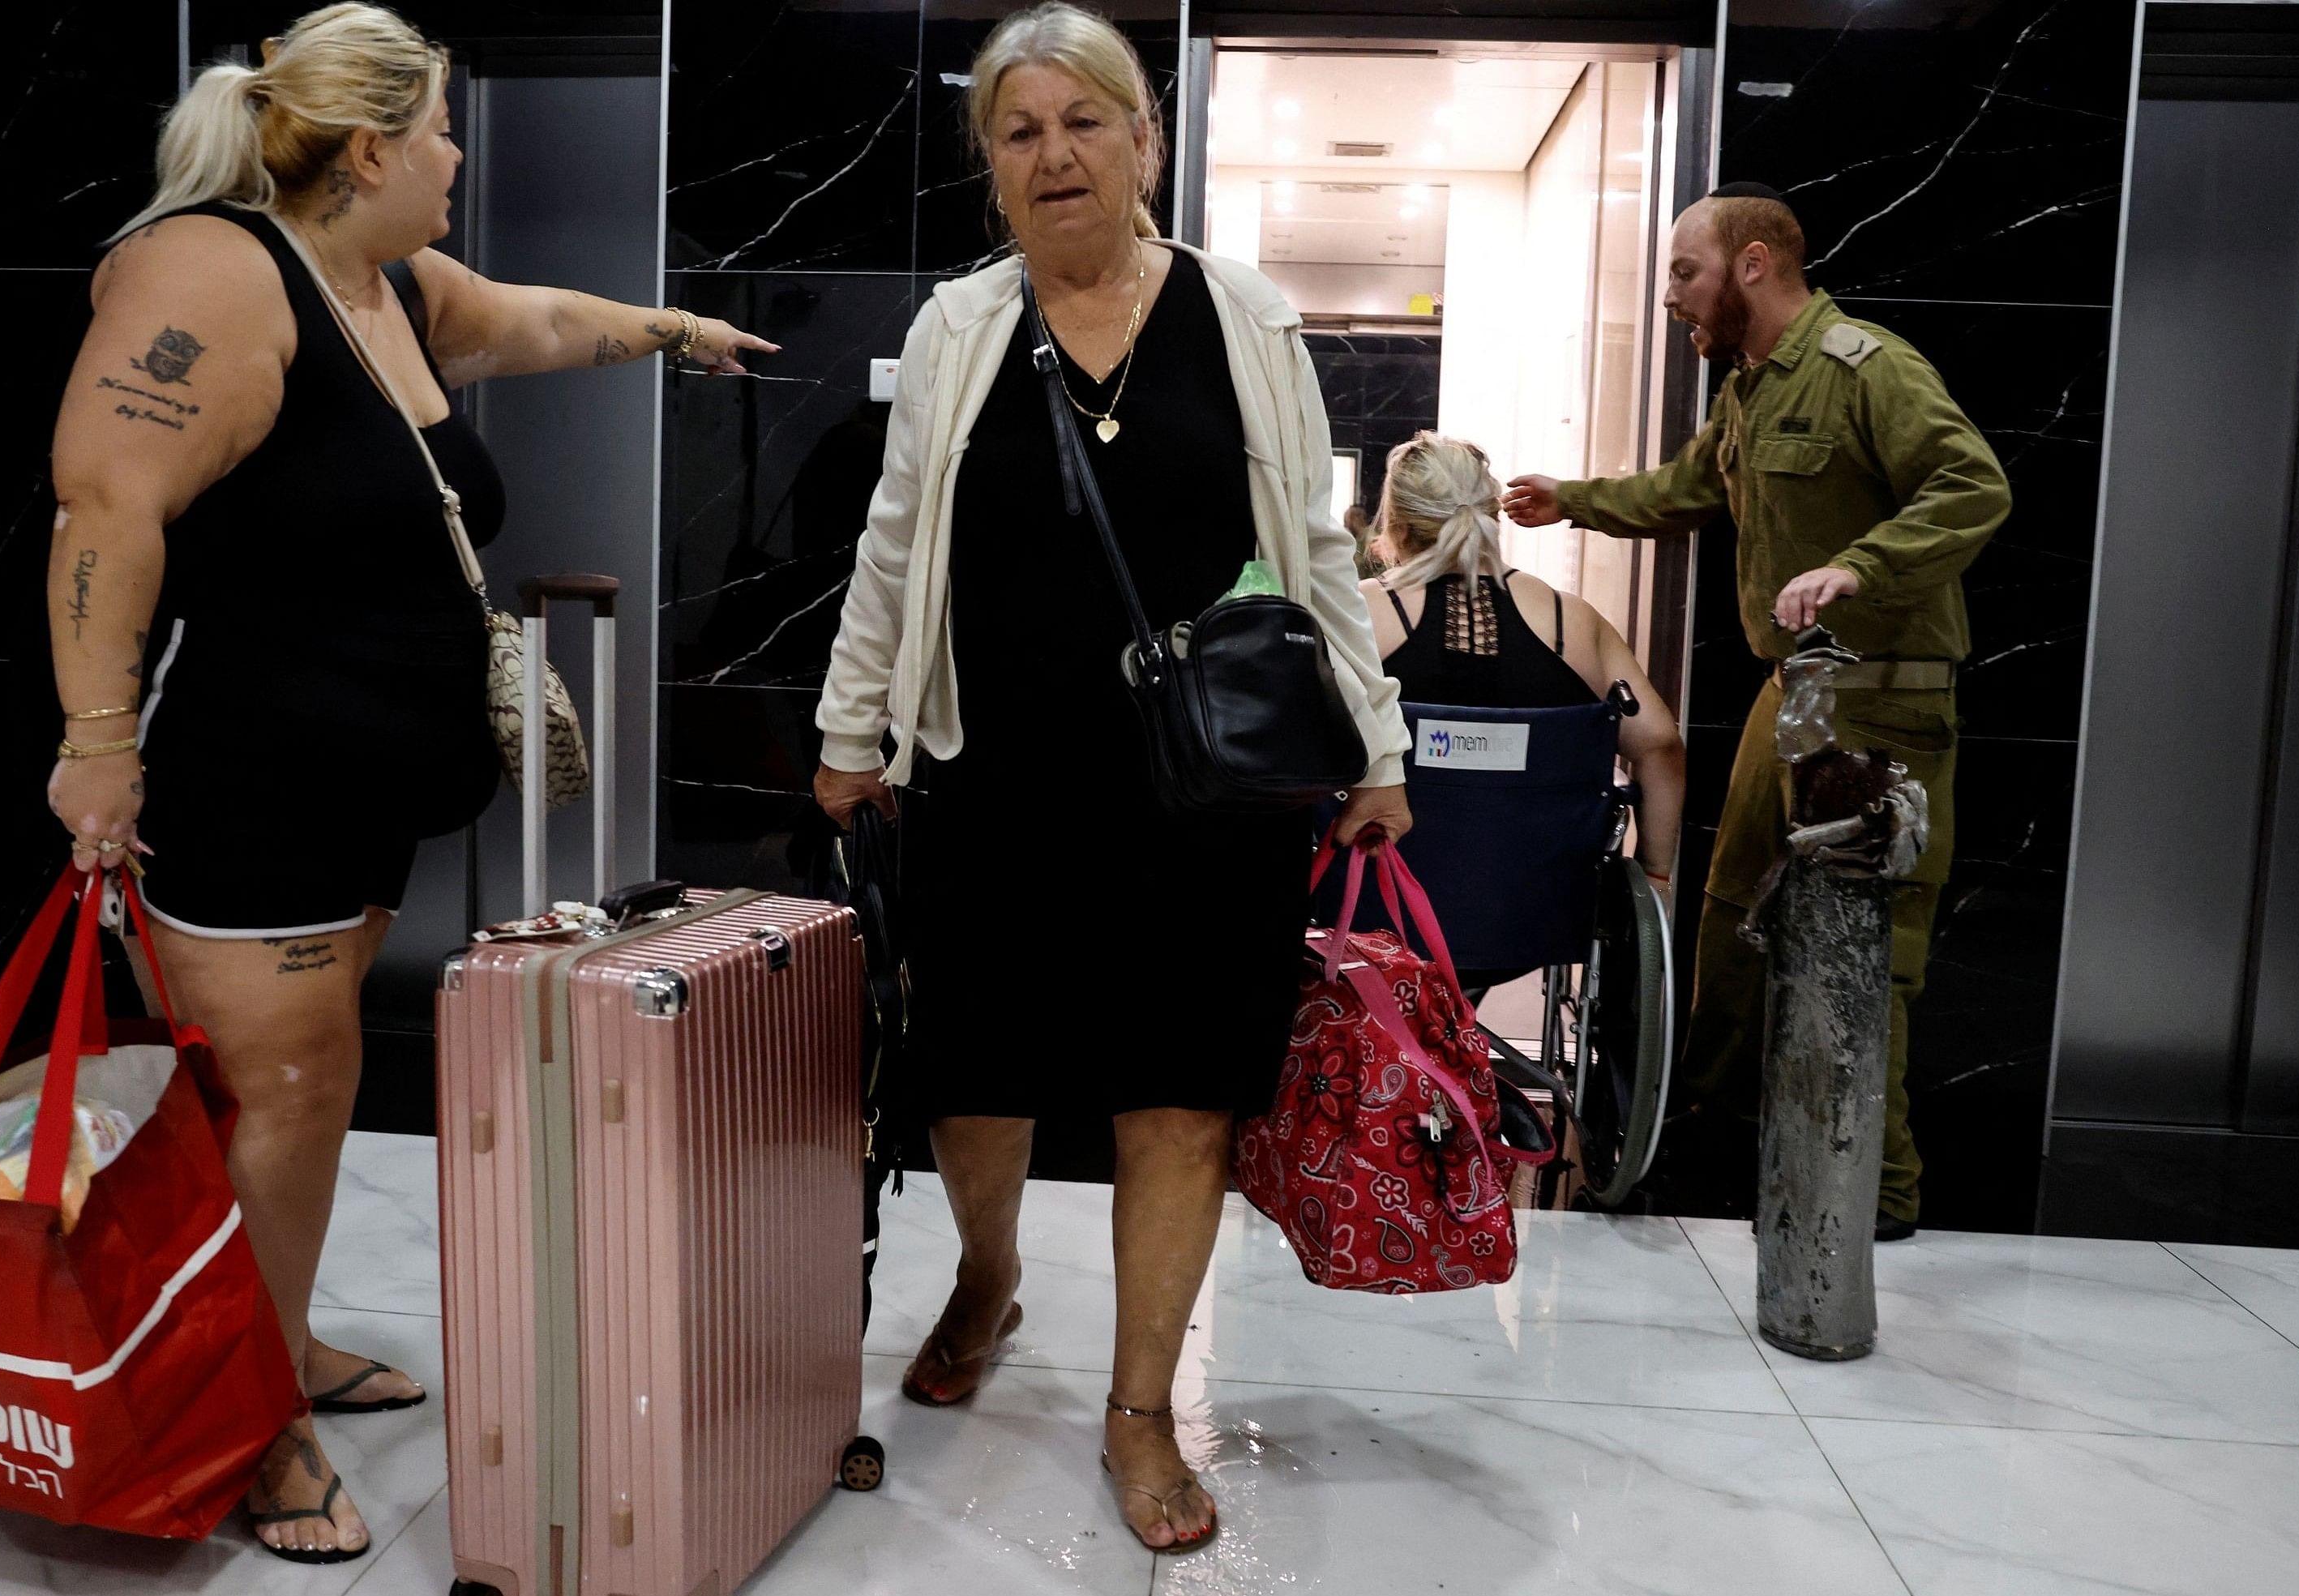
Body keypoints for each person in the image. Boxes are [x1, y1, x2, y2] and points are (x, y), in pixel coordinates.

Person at [43, 4, 772, 1561]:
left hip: (365, 784)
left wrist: (671, 330)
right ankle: (251, 1415)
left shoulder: (380, 279)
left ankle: (277, 1341)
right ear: (370, 146)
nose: (456, 156)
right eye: (440, 129)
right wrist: (94, 743)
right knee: (287, 1093)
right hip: (248, 782)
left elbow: (530, 321)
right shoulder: (212, 270)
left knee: (306, 1086)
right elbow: (107, 499)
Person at [808, 1, 1411, 1555]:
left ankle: (1140, 1405)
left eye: (1087, 120)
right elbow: (894, 546)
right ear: (990, 167)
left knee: (1178, 1090)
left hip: (1206, 787)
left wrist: (1380, 743)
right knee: (977, 1078)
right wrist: (848, 726)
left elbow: (1323, 553)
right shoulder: (959, 327)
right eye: (1020, 130)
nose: (1055, 152)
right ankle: (989, 1273)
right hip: (990, 768)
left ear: (1148, 141)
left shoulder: (1249, 315)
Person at [1502, 182, 2008, 1242]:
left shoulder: (1865, 368)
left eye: (1686, 274)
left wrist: (1861, 567)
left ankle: (1882, 1201)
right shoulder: (1746, 389)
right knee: (1732, 930)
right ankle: (1713, 1162)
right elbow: (1683, 493)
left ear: (1753, 266)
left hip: (1881, 707)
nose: (1674, 297)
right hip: (1798, 698)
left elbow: (1973, 486)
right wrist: (1573, 500)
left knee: (1864, 957)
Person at [1363, 432, 1683, 899]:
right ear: (1495, 519)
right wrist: (1655, 878)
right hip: (1539, 907)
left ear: (1398, 528)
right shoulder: (1571, 622)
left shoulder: (1357, 615)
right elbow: (1661, 746)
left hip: (1370, 905)